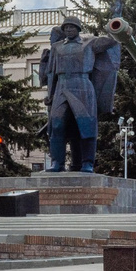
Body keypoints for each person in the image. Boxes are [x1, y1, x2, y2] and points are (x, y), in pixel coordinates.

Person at [36, 19, 119, 173]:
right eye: (66, 27)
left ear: (78, 29)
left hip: (82, 85)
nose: (68, 30)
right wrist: (51, 94)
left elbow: (111, 41)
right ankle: (57, 163)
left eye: (72, 27)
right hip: (61, 86)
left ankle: (87, 163)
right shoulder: (56, 47)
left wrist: (116, 17)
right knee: (57, 125)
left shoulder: (90, 43)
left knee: (86, 124)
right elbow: (51, 72)